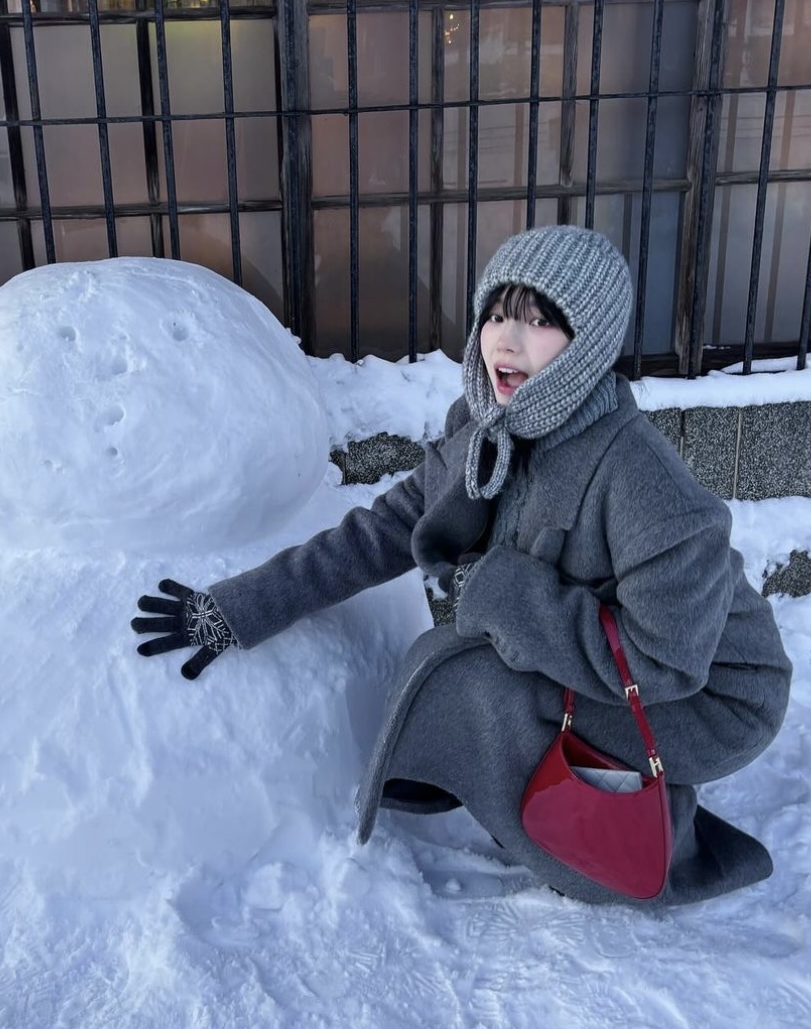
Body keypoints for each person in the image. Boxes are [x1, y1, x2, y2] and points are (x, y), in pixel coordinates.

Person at [132, 225, 792, 906]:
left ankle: (623, 851)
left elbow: (665, 662)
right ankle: (518, 776)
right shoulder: (484, 431)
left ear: (588, 345)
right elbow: (383, 531)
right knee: (464, 661)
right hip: (632, 667)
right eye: (498, 313)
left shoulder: (641, 482)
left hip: (711, 696)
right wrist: (239, 609)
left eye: (539, 321)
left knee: (488, 686)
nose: (506, 339)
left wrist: (509, 596)